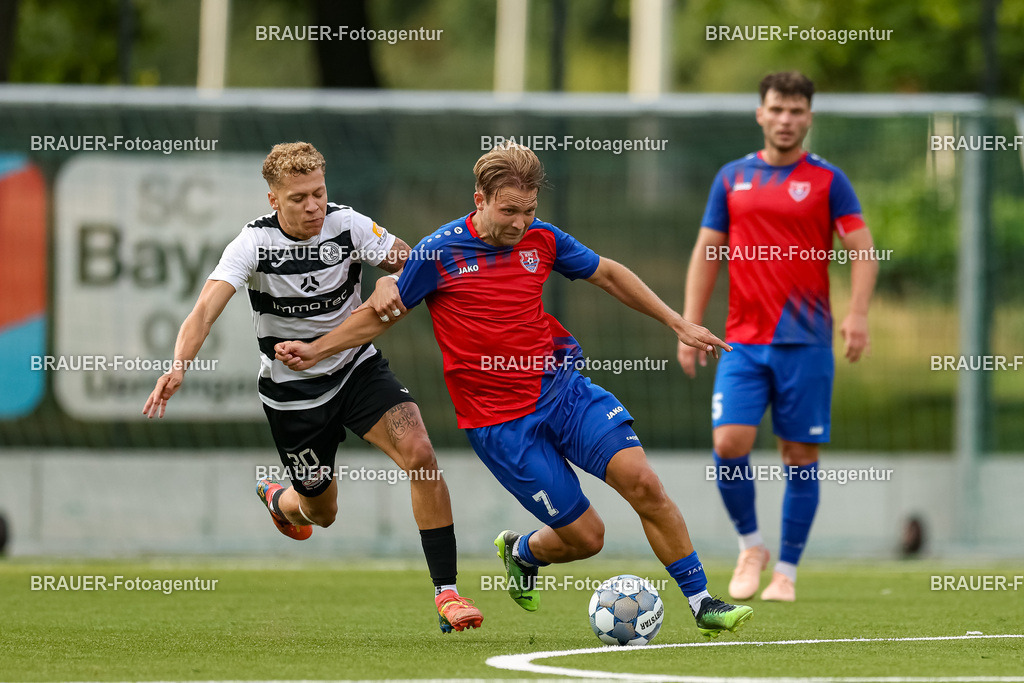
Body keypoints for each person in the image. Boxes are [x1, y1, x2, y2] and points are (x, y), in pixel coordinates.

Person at [275, 142, 754, 639]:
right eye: (509, 211)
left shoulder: (542, 239)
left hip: (563, 392)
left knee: (644, 483)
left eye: (528, 211)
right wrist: (316, 350)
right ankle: (522, 551)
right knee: (588, 539)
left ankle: (702, 603)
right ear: (479, 200)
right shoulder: (438, 252)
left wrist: (677, 322)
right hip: (501, 425)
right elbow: (378, 317)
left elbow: (607, 273)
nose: (520, 223)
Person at [142, 142, 483, 633]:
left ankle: (447, 593)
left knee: (421, 454)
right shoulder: (252, 245)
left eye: (319, 193)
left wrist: (394, 280)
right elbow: (203, 310)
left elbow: (413, 264)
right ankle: (281, 499)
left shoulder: (349, 225)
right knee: (321, 513)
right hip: (293, 395)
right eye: (299, 197)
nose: (313, 206)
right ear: (273, 200)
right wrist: (178, 366)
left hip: (357, 371)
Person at [679, 71, 878, 602]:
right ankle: (751, 546)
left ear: (808, 118)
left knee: (799, 454)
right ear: (760, 114)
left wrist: (857, 315)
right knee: (729, 442)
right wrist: (688, 323)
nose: (786, 120)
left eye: (796, 111)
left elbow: (862, 249)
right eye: (777, 109)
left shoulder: (829, 181)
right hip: (742, 341)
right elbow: (706, 252)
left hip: (806, 342)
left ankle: (786, 570)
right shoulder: (731, 178)